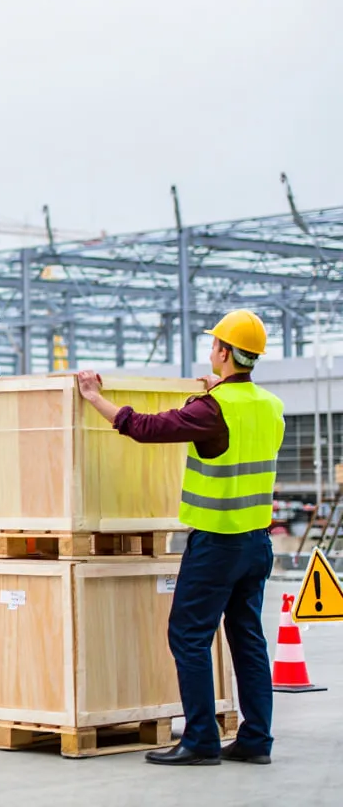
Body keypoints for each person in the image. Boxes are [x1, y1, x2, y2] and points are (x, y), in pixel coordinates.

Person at [76, 309, 284, 766]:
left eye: (215, 345)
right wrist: (215, 392)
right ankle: (256, 740)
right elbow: (236, 430)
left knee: (188, 636)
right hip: (257, 544)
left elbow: (146, 428)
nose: (211, 350)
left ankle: (200, 741)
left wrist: (94, 396)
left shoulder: (212, 410)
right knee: (247, 639)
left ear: (225, 353)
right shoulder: (268, 405)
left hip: (217, 544)